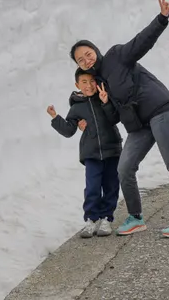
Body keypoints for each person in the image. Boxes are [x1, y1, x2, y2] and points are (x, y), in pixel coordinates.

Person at [69, 0, 169, 238]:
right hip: (139, 125)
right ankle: (136, 217)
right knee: (124, 168)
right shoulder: (98, 84)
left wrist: (161, 19)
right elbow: (110, 117)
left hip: (160, 110)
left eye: (88, 53)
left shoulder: (117, 56)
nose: (86, 59)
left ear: (95, 51)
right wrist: (86, 117)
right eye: (81, 60)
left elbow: (142, 41)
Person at [47, 70, 122, 238]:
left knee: (111, 186)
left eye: (92, 81)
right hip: (91, 153)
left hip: (112, 149)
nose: (89, 86)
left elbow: (114, 118)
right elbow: (68, 130)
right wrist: (54, 117)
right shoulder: (76, 107)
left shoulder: (105, 97)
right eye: (84, 82)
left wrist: (106, 102)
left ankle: (106, 218)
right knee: (92, 187)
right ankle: (91, 219)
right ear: (77, 85)